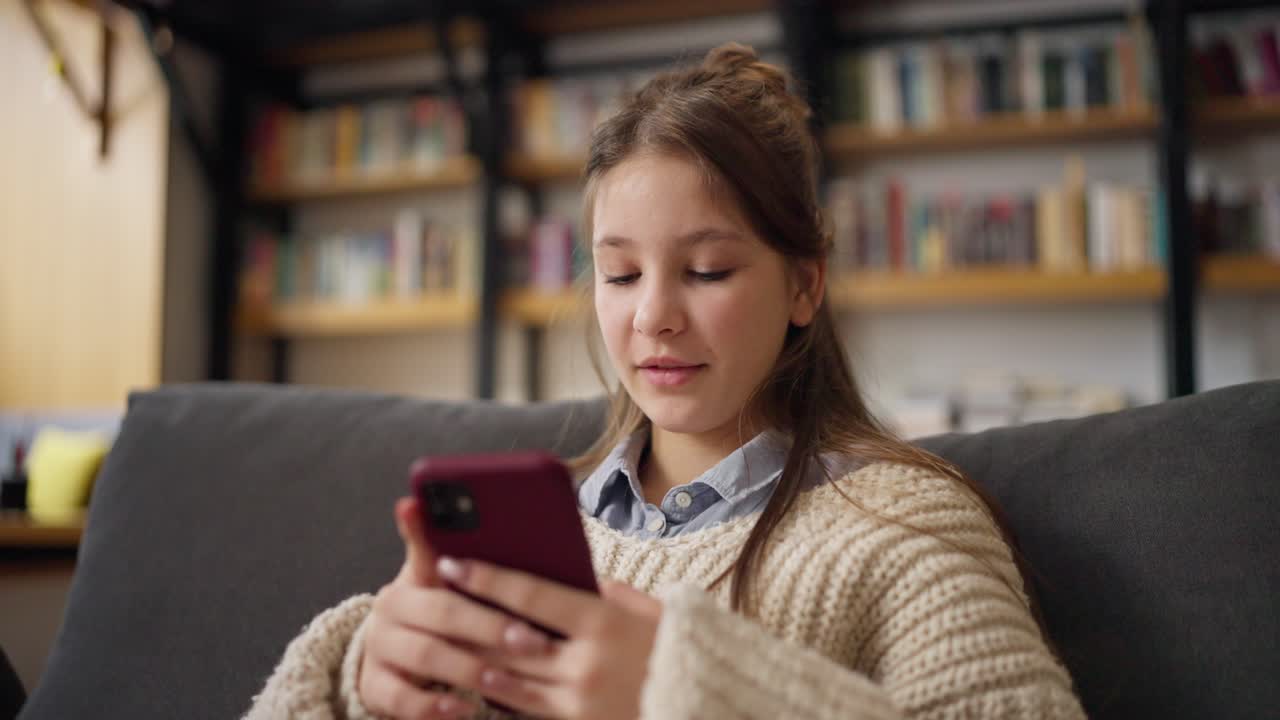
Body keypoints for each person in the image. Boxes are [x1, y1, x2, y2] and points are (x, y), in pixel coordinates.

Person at [244, 43, 1086, 720]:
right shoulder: (535, 527)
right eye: (618, 275)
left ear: (804, 284)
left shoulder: (906, 527)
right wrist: (361, 681)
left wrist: (694, 690)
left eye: (709, 270)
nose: (654, 317)